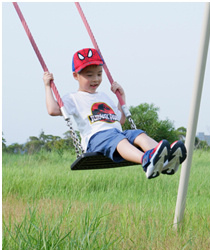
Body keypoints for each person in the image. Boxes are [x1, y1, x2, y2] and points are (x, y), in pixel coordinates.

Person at [44, 48, 186, 178]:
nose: (96, 79)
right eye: (89, 75)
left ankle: (165, 159)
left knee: (138, 134)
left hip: (116, 133)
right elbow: (53, 110)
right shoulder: (73, 98)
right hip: (96, 138)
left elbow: (120, 120)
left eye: (99, 74)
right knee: (120, 140)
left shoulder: (104, 96)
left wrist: (122, 98)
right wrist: (47, 86)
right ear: (76, 76)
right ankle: (147, 160)